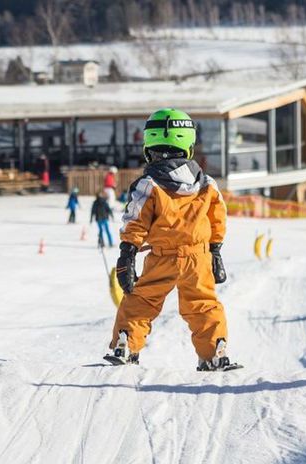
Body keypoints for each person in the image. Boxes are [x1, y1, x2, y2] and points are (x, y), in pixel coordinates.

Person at [106, 108, 235, 371]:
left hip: (163, 257)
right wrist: (215, 251)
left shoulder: (149, 184)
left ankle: (126, 342)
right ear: (188, 146)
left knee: (141, 300)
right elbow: (217, 218)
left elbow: (136, 218)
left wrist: (127, 254)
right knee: (202, 304)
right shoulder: (207, 184)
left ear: (148, 146)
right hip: (198, 258)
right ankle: (215, 350)